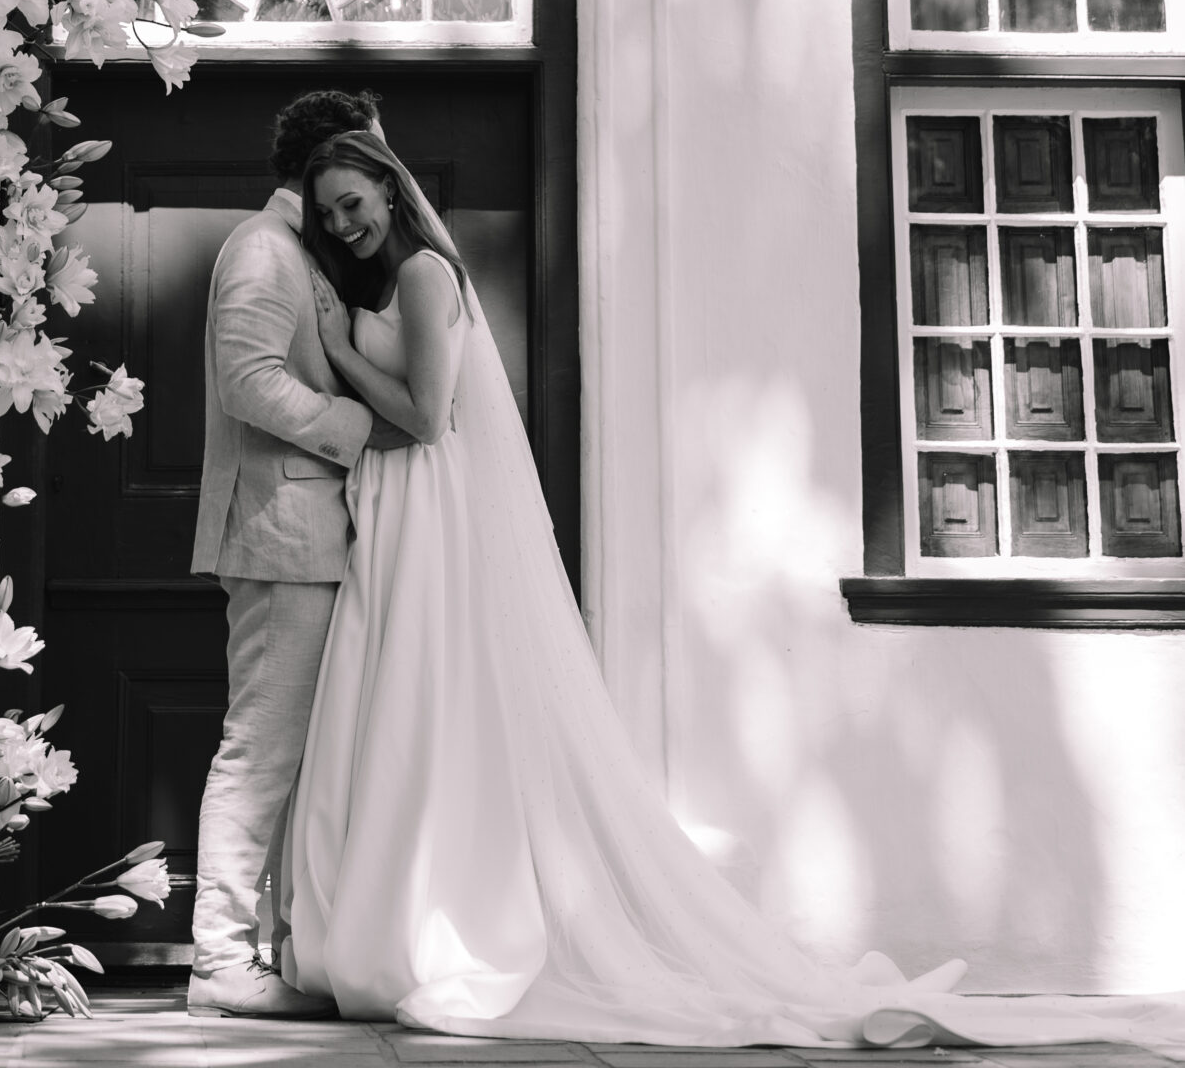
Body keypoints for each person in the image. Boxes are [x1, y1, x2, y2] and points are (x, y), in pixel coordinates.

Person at [284, 129, 1185, 1051]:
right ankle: (399, 910)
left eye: (351, 202)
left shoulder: (427, 277)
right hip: (401, 517)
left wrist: (336, 352)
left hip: (433, 513)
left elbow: (429, 418)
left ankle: (436, 922)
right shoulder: (386, 285)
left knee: (431, 705)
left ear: (391, 193)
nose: (341, 223)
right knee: (406, 708)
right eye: (325, 214)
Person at [185, 86, 399, 1019]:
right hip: (280, 533)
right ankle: (218, 960)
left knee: (296, 756)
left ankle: (267, 951)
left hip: (312, 534)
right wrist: (357, 424)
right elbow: (246, 381)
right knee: (259, 753)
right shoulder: (262, 249)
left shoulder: (301, 249)